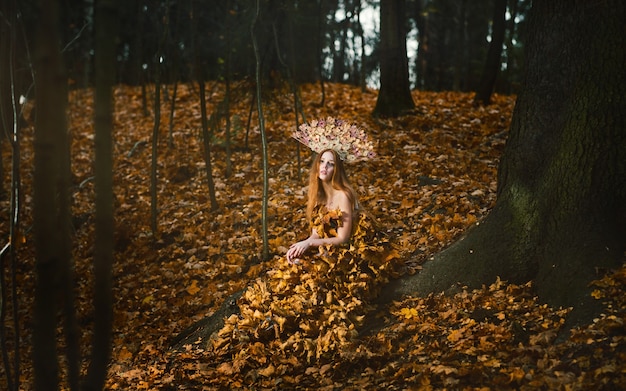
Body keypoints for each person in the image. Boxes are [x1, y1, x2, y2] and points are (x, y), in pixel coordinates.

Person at [211, 117, 404, 367]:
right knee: (288, 272)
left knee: (314, 288)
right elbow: (316, 234)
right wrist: (302, 244)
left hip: (343, 258)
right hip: (324, 251)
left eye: (330, 164)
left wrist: (312, 245)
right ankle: (264, 326)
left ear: (338, 169)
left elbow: (343, 239)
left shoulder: (344, 196)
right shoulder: (319, 197)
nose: (324, 167)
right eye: (322, 162)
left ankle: (299, 336)